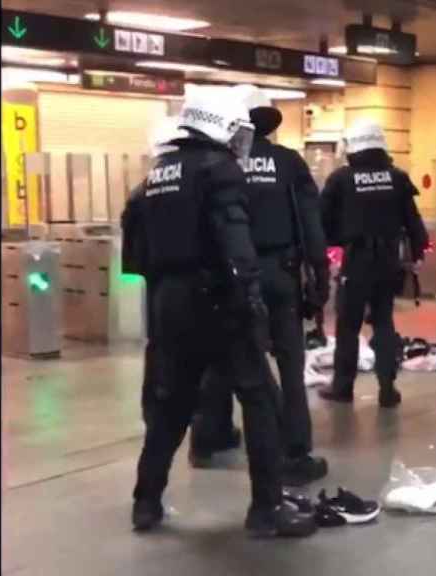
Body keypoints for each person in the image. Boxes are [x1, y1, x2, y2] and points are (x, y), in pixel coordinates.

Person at [122, 92, 316, 537]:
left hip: (170, 305)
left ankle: (145, 502)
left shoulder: (157, 174)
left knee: (171, 406)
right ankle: (267, 510)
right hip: (219, 302)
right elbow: (236, 246)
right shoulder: (219, 169)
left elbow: (137, 253)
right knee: (260, 400)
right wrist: (251, 301)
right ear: (218, 126)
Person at [189, 86, 331, 486]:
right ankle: (296, 451)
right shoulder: (288, 162)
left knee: (223, 357)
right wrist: (319, 280)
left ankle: (208, 438)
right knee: (289, 363)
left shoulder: (216, 165)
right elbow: (311, 226)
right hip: (280, 275)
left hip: (229, 278)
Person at [317, 120, 428, 408]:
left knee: (348, 326)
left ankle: (343, 387)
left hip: (356, 261)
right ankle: (388, 387)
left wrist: (328, 251)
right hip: (389, 260)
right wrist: (416, 256)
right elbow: (414, 223)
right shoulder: (398, 177)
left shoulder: (341, 179)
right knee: (383, 322)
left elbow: (321, 222)